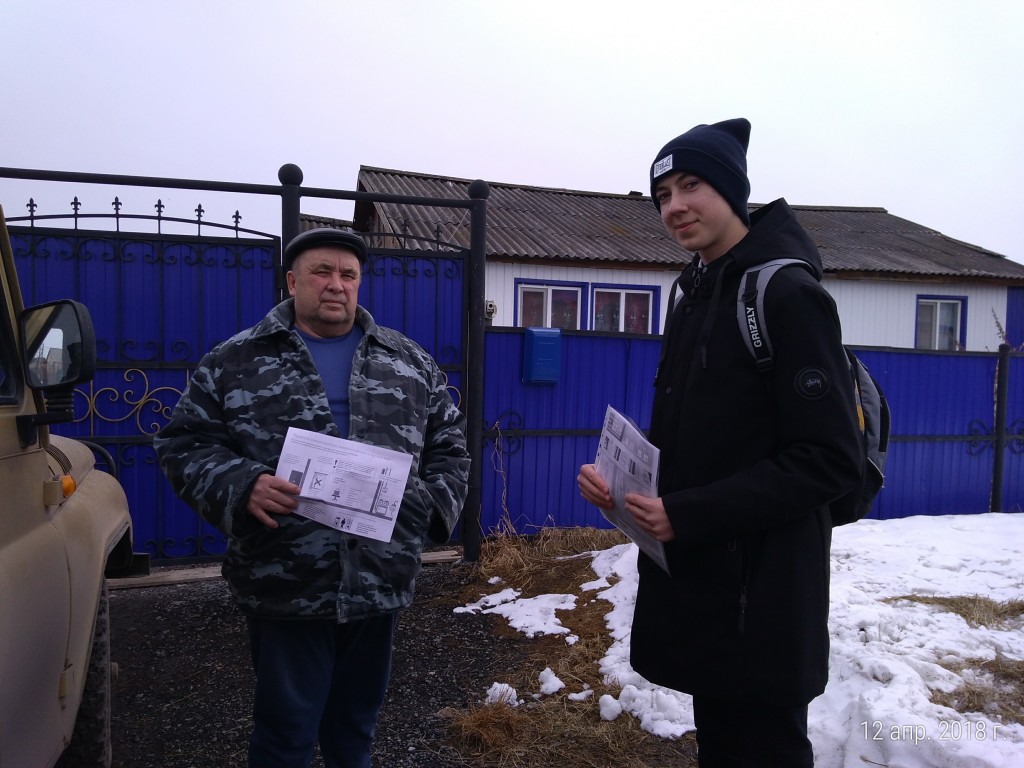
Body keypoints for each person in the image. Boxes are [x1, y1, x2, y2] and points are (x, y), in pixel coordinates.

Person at [578, 118, 862, 767]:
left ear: (732, 190)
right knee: (722, 747)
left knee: (765, 750)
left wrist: (687, 513)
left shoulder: (786, 295)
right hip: (707, 588)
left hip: (765, 598)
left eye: (691, 185)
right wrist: (626, 492)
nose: (674, 207)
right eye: (662, 195)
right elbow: (702, 442)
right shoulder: (696, 293)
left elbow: (829, 460)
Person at [155, 227, 470, 768]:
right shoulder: (236, 359)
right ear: (292, 281)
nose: (336, 285)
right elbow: (183, 444)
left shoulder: (407, 361)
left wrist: (426, 510)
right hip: (286, 577)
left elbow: (452, 446)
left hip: (379, 575)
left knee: (355, 733)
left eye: (348, 275)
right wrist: (242, 485)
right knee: (285, 736)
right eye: (322, 272)